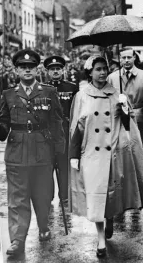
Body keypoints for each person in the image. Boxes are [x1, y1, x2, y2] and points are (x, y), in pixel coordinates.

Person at [69, 55, 143, 257]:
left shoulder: (116, 94)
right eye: (98, 69)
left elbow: (126, 126)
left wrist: (124, 109)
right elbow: (76, 128)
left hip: (113, 153)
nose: (103, 72)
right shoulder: (81, 96)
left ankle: (110, 218)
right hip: (91, 153)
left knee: (111, 194)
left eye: (105, 68)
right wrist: (73, 153)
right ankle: (101, 240)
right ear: (90, 72)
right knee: (96, 197)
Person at [0, 49, 65, 256]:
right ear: (16, 70)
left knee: (42, 194)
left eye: (31, 67)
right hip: (16, 152)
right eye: (23, 67)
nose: (27, 70)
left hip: (43, 150)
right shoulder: (8, 94)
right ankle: (17, 239)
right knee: (17, 198)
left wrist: (59, 152)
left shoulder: (49, 92)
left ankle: (43, 226)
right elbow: (4, 124)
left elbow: (57, 123)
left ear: (37, 69)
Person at [107, 48, 143, 171]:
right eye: (123, 58)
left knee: (142, 150)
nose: (126, 60)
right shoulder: (112, 78)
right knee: (121, 148)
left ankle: (142, 172)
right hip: (119, 117)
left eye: (129, 57)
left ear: (134, 58)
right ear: (120, 59)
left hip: (139, 117)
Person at [44, 55, 78, 201]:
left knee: (64, 166)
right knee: (47, 166)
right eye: (52, 69)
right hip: (47, 133)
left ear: (63, 70)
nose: (55, 72)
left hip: (65, 132)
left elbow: (77, 110)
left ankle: (64, 195)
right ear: (47, 72)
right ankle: (47, 196)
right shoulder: (42, 89)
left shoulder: (71, 88)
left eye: (58, 68)